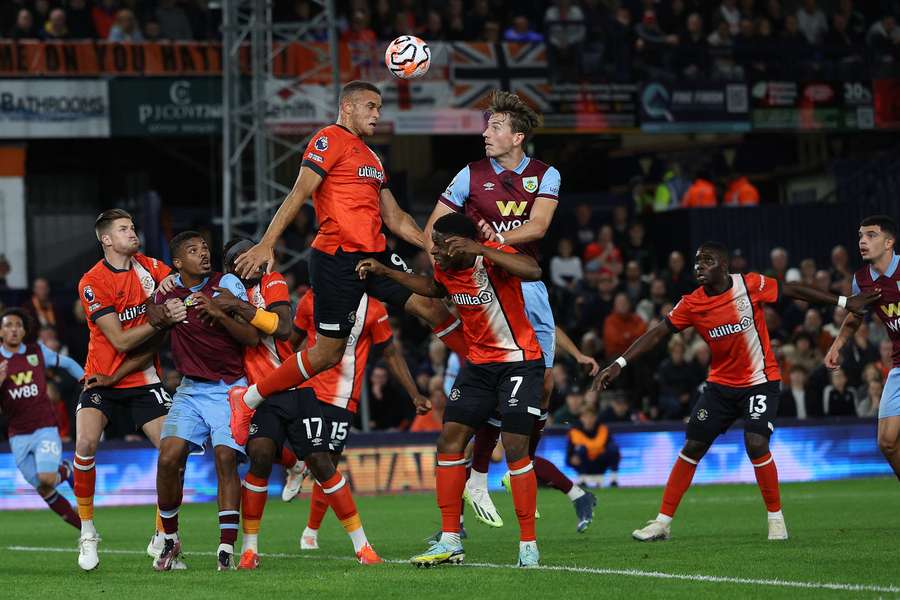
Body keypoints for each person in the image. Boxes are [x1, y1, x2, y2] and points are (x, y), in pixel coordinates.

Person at [228, 81, 467, 445]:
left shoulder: (372, 158)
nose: (377, 114)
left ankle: (483, 363)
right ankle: (247, 400)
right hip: (336, 258)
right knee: (326, 354)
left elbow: (395, 216)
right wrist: (266, 243)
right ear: (347, 107)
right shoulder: (329, 138)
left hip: (376, 254)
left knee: (432, 307)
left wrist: (429, 245)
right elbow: (300, 191)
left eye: (379, 108)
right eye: (370, 106)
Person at [594, 241, 877, 542]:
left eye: (708, 260)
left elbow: (793, 290)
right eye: (698, 260)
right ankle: (662, 522)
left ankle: (776, 520)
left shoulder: (750, 284)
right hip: (720, 386)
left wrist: (845, 303)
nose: (699, 265)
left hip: (760, 380)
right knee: (692, 447)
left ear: (725, 266)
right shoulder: (692, 303)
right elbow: (658, 333)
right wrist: (619, 364)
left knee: (756, 442)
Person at [423, 89, 597, 534]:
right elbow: (431, 231)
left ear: (517, 136)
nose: (486, 133)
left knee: (537, 391)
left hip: (526, 285)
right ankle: (469, 496)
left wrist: (485, 245)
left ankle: (490, 476)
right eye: (486, 126)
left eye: (495, 127)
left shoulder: (545, 175)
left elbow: (539, 227)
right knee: (480, 393)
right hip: (481, 288)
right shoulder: (469, 175)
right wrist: (448, 263)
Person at [357, 213, 544, 567]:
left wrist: (481, 249)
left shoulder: (491, 258)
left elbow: (533, 271)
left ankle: (528, 546)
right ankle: (450, 540)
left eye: (441, 244)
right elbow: (434, 289)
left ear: (461, 243)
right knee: (449, 441)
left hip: (519, 362)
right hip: (479, 366)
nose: (435, 250)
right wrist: (387, 273)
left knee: (516, 446)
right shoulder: (446, 267)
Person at [212, 240, 386, 568]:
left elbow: (283, 327)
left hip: (295, 388)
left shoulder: (272, 282)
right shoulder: (223, 295)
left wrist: (236, 305)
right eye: (240, 258)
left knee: (322, 462)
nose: (251, 261)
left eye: (253, 254)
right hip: (259, 396)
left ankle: (362, 545)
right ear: (231, 266)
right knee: (260, 457)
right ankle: (250, 549)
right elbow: (247, 338)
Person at [74, 209, 185, 571]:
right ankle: (87, 532)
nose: (132, 232)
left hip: (143, 378)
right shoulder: (93, 281)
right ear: (106, 239)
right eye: (124, 229)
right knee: (85, 444)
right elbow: (120, 340)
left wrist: (179, 296)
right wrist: (164, 318)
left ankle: (161, 537)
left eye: (133, 227)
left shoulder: (151, 268)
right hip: (101, 378)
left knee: (174, 454)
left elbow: (181, 286)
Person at [151, 232, 261, 571]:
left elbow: (252, 337)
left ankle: (226, 547)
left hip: (230, 389)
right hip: (191, 390)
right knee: (169, 458)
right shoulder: (172, 291)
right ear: (178, 262)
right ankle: (169, 538)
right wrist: (161, 307)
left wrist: (221, 312)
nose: (203, 254)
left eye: (205, 248)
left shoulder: (225, 285)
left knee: (226, 459)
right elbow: (153, 317)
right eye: (192, 250)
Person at [290, 288, 428, 552]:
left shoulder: (373, 308)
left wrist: (414, 394)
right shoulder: (312, 298)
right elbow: (293, 341)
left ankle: (310, 531)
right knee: (300, 448)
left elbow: (390, 353)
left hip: (343, 397)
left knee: (328, 464)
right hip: (308, 387)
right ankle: (294, 465)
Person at [825, 215, 900, 480]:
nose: (862, 241)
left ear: (889, 242)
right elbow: (855, 317)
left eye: (871, 235)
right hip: (899, 365)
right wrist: (837, 345)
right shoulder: (862, 280)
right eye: (860, 236)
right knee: (887, 442)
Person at [0, 308, 82, 530]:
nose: (14, 329)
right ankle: (85, 531)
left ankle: (65, 469)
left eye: (18, 325)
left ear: (24, 330)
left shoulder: (36, 351)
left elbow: (67, 363)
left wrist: (86, 380)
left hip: (44, 427)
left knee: (47, 478)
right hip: (17, 434)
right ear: (1, 331)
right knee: (43, 488)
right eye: (8, 325)